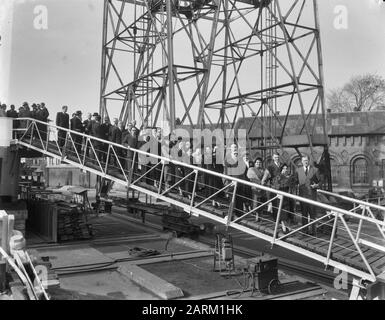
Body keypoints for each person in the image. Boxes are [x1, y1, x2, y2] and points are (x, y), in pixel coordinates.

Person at [294, 155, 321, 236]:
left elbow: (321, 181)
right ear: (301, 162)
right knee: (304, 214)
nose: (305, 162)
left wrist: (316, 185)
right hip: (303, 196)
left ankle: (313, 231)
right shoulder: (298, 170)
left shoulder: (315, 170)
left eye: (306, 160)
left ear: (309, 161)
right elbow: (295, 182)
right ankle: (305, 231)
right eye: (304, 160)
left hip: (312, 196)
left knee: (312, 214)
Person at [273, 164, 295, 234]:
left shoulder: (289, 177)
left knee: (288, 213)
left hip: (288, 197)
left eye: (286, 168)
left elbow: (292, 186)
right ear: (281, 169)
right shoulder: (278, 177)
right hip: (281, 196)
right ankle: (284, 228)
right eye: (284, 168)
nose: (285, 170)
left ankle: (286, 227)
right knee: (283, 213)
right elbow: (276, 187)